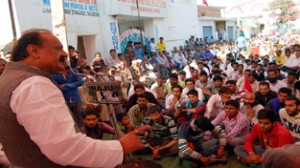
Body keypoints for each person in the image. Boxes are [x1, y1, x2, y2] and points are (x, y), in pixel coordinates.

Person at [0, 29, 149, 167]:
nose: (65, 54)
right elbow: (64, 148)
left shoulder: (8, 80)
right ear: (34, 51)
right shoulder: (33, 84)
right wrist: (121, 146)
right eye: (57, 48)